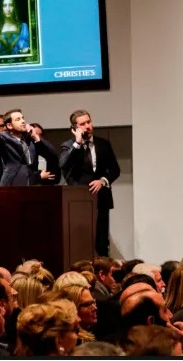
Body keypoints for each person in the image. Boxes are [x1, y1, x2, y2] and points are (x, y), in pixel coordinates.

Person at [60, 109, 120, 257]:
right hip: (79, 199)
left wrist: (103, 181)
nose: (87, 126)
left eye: (89, 122)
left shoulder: (103, 144)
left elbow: (115, 170)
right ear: (75, 128)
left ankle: (103, 266)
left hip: (102, 196)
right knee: (82, 239)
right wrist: (78, 143)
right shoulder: (68, 146)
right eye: (82, 124)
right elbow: (64, 164)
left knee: (102, 239)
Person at [0, 101, 59, 185]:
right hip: (11, 186)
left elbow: (52, 155)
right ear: (9, 125)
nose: (23, 121)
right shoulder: (5, 139)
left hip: (30, 186)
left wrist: (36, 137)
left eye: (23, 118)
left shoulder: (30, 140)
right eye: (18, 119)